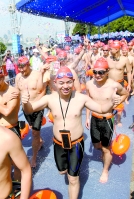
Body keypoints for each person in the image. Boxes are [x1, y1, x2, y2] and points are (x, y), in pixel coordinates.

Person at [21, 66, 120, 199]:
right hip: (58, 144)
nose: (65, 86)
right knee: (62, 171)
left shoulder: (81, 98)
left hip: (76, 145)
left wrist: (112, 103)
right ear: (55, 83)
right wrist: (25, 103)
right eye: (61, 83)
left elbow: (101, 108)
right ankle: (68, 169)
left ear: (73, 81)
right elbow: (29, 110)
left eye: (69, 82)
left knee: (73, 179)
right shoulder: (50, 99)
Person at [85, 58, 129, 183]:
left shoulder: (114, 85)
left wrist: (117, 102)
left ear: (107, 71)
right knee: (96, 145)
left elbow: (125, 93)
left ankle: (105, 170)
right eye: (95, 72)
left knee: (105, 148)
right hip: (94, 118)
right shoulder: (89, 84)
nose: (97, 75)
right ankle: (104, 152)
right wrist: (87, 117)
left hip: (107, 121)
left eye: (101, 72)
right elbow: (88, 101)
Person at [15, 56, 47, 168]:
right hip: (25, 108)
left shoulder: (37, 75)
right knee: (33, 128)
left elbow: (42, 91)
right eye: (19, 68)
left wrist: (37, 105)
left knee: (34, 132)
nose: (22, 71)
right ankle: (40, 141)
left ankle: (34, 157)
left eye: (23, 68)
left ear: (28, 65)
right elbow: (17, 93)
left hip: (37, 108)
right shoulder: (18, 77)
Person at [107, 41, 131, 126]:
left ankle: (118, 119)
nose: (110, 50)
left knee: (120, 102)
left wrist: (129, 84)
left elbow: (128, 72)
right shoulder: (108, 58)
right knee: (109, 101)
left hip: (120, 83)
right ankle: (109, 117)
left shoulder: (125, 59)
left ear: (117, 49)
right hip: (109, 84)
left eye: (111, 48)